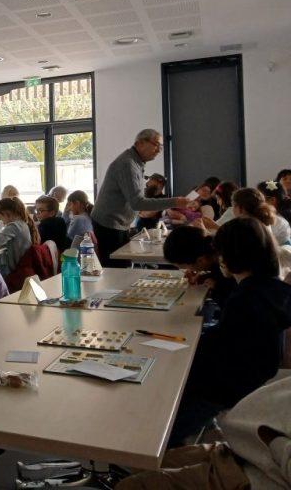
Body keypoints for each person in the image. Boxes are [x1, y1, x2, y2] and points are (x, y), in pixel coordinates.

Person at [168, 217, 291, 447]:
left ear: (231, 257)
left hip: (228, 386)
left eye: (221, 253)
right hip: (253, 374)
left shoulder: (245, 299)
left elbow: (221, 349)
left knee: (164, 420)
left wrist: (185, 346)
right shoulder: (270, 287)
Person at [118, 374, 291, 489]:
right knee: (144, 466)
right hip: (241, 450)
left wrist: (272, 438)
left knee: (134, 485)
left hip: (255, 475)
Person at [91, 129, 188, 266]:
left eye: (161, 147)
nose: (159, 150)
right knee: (116, 268)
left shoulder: (136, 162)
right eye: (156, 145)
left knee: (123, 263)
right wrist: (175, 202)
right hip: (109, 223)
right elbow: (137, 203)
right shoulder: (127, 164)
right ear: (140, 143)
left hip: (118, 223)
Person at [162, 225, 236, 309]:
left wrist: (216, 288)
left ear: (201, 260)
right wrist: (204, 277)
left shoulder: (230, 265)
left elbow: (236, 306)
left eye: (186, 268)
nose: (188, 271)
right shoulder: (216, 253)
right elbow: (216, 273)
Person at [0, 197, 38, 277]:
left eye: (0, 218)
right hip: (22, 264)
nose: (1, 221)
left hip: (15, 268)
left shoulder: (14, 226)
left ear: (6, 214)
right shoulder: (22, 224)